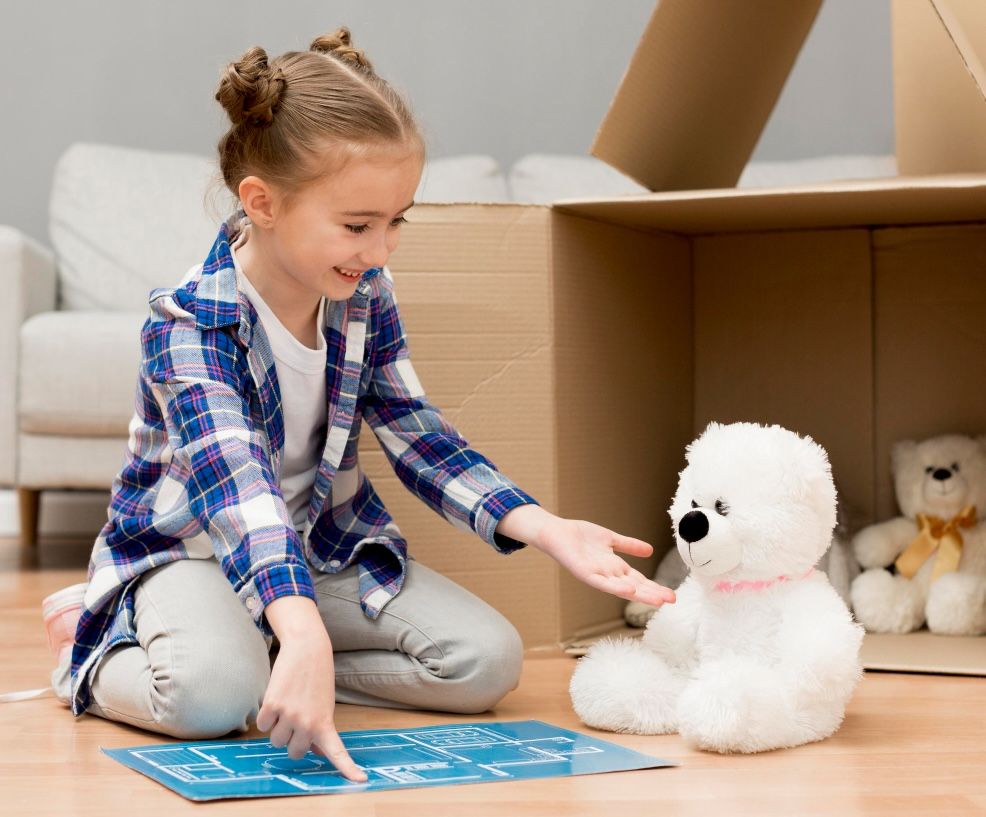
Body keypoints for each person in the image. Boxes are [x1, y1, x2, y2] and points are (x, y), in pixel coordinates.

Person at [42, 28, 675, 783]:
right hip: (196, 554)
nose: (381, 250)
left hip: (317, 546)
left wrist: (542, 526)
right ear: (262, 202)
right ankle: (99, 641)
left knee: (484, 662)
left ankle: (276, 659)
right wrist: (302, 625)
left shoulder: (362, 293)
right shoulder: (187, 323)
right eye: (357, 225)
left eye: (396, 220)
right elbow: (239, 493)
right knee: (209, 698)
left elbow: (415, 431)